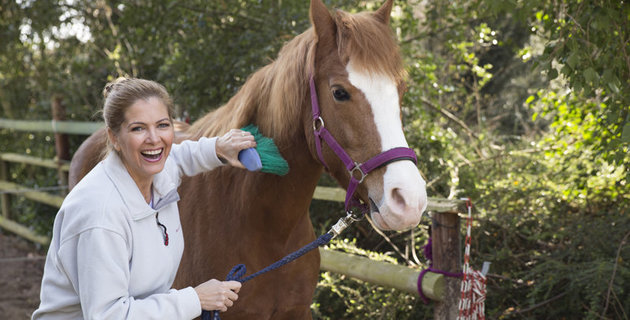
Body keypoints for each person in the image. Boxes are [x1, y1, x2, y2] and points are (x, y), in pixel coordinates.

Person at [33, 78, 255, 319]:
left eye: (162, 125)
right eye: (138, 128)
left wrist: (218, 148)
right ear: (114, 137)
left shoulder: (155, 173)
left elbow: (178, 157)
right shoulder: (101, 214)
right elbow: (109, 315)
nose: (154, 139)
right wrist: (195, 299)